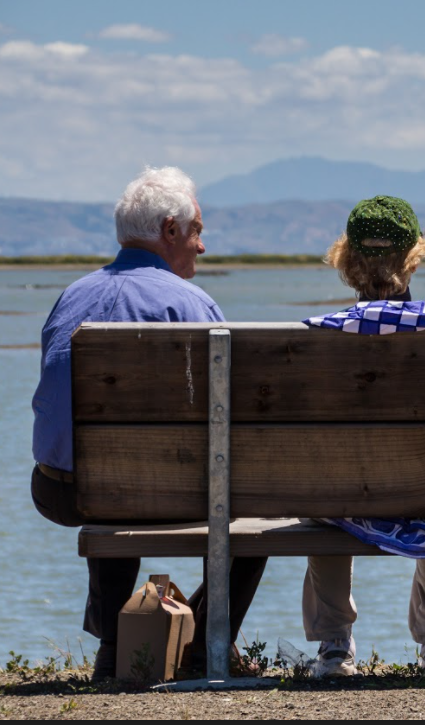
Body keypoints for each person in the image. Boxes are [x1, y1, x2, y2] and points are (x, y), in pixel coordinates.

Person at [31, 166, 268, 680]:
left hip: (62, 489)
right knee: (253, 509)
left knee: (111, 483)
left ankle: (116, 646)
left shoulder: (71, 297)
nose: (201, 247)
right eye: (197, 231)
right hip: (157, 492)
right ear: (169, 231)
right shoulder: (191, 305)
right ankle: (206, 644)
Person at [302, 195, 425, 678]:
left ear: (347, 262)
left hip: (343, 498)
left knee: (320, 486)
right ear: (414, 257)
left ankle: (334, 644)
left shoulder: (317, 339)